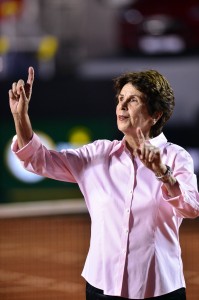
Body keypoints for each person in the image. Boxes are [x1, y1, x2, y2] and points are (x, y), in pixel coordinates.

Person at [9, 67, 199, 300]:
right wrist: (20, 117)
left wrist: (164, 175)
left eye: (133, 100)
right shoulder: (97, 154)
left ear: (156, 114)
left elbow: (191, 208)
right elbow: (39, 160)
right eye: (120, 99)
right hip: (101, 288)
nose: (122, 106)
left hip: (159, 288)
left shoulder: (177, 157)